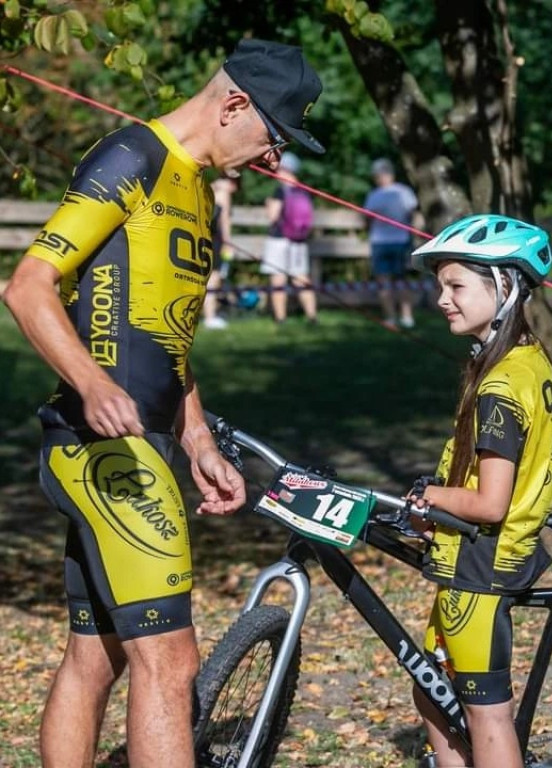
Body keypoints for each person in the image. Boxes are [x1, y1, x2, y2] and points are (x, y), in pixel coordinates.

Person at [1, 37, 324, 768]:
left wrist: (200, 440)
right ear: (234, 104)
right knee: (172, 662)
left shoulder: (198, 190)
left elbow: (166, 338)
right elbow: (27, 286)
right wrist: (91, 382)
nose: (272, 158)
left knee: (99, 657)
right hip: (102, 445)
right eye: (273, 136)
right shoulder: (133, 157)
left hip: (144, 439)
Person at [405, 214, 552, 768]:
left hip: (482, 560)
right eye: (440, 285)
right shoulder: (524, 358)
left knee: (485, 712)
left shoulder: (499, 387)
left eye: (456, 286)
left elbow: (491, 502)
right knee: (431, 688)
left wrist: (430, 496)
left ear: (505, 288)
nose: (442, 299)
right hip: (467, 554)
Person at [260, 150, 318, 324]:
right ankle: (312, 316)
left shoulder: (280, 190)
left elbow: (273, 216)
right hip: (299, 241)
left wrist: (269, 205)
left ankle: (280, 318)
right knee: (301, 278)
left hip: (279, 239)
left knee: (278, 278)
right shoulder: (304, 190)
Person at [363, 157, 419, 329]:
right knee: (401, 279)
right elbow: (413, 215)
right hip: (401, 240)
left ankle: (390, 317)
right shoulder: (404, 192)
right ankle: (407, 316)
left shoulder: (374, 196)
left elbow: (368, 220)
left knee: (384, 281)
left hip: (379, 242)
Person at [203, 175, 240, 329]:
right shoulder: (224, 193)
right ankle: (210, 317)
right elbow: (224, 221)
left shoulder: (209, 187)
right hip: (215, 240)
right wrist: (228, 242)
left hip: (202, 238)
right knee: (214, 278)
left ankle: (207, 315)